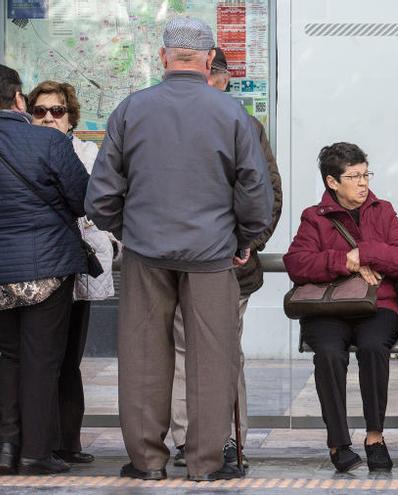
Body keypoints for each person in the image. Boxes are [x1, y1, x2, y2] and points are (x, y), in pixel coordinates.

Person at [86, 17, 272, 481]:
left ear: (163, 56)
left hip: (147, 254)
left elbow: (100, 198)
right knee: (212, 358)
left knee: (143, 356)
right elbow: (256, 193)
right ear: (209, 59)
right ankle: (206, 463)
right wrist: (244, 239)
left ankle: (147, 462)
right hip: (212, 255)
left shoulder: (130, 109)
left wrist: (129, 231)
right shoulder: (232, 114)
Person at [168, 46, 284, 469]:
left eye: (211, 79)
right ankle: (189, 438)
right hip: (178, 260)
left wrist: (247, 245)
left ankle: (221, 437)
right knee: (187, 349)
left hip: (229, 264)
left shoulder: (244, 125)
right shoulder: (169, 121)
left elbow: (269, 193)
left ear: (221, 80)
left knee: (219, 351)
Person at [284, 142, 398, 473]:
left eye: (365, 174)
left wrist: (366, 253)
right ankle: (338, 441)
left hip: (377, 305)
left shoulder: (382, 211)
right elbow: (297, 263)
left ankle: (375, 437)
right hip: (328, 309)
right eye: (353, 176)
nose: (362, 183)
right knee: (328, 352)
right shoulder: (314, 218)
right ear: (332, 182)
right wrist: (345, 261)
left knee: (374, 347)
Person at [0, 65, 90, 475]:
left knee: (6, 357)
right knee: (42, 360)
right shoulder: (48, 142)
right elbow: (81, 199)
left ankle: (6, 448)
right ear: (18, 99)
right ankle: (36, 452)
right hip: (47, 268)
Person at [26, 80, 119, 467]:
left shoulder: (86, 153)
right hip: (36, 270)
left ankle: (68, 440)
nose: (49, 117)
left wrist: (108, 241)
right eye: (41, 111)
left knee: (69, 359)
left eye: (57, 111)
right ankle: (39, 442)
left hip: (75, 269)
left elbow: (96, 206)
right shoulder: (22, 150)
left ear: (70, 117)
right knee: (39, 359)